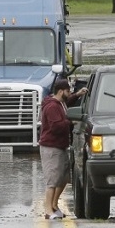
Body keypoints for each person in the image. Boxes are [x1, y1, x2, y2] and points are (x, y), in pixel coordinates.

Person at [39, 79, 87, 219]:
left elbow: (68, 102)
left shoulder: (60, 103)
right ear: (61, 91)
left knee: (64, 178)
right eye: (68, 91)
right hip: (51, 147)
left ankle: (54, 205)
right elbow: (56, 126)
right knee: (52, 179)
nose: (69, 93)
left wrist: (78, 94)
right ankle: (48, 210)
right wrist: (71, 122)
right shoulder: (52, 107)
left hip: (60, 146)